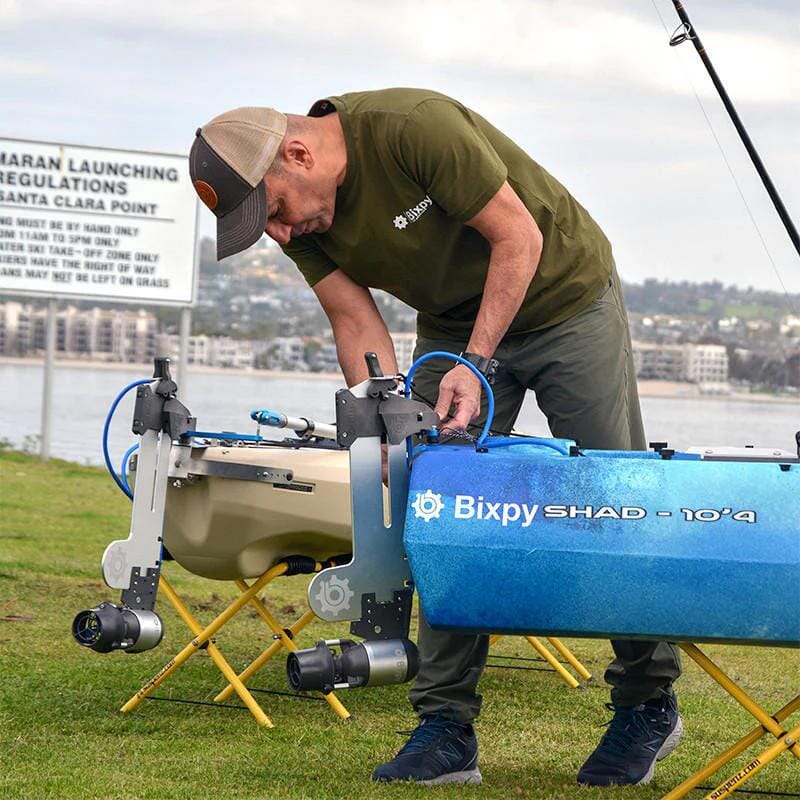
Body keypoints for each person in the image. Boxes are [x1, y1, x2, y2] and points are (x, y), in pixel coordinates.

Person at [189, 88, 683, 788]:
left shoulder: (412, 130)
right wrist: (386, 425)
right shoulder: (310, 220)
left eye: (271, 212)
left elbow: (520, 238)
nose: (281, 234)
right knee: (443, 506)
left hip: (562, 294)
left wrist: (476, 367)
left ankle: (647, 701)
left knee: (612, 495)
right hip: (453, 322)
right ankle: (446, 726)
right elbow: (354, 321)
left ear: (297, 156)